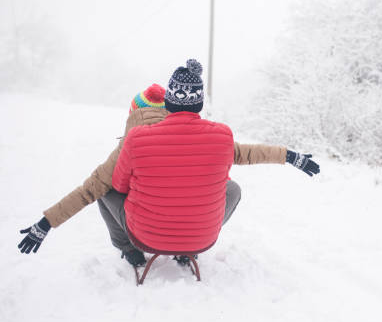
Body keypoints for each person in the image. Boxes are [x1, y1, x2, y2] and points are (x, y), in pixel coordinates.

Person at [18, 59, 320, 267]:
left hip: (144, 235)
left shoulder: (137, 139)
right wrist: (291, 156)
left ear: (170, 102)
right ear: (199, 103)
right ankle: (188, 250)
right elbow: (253, 153)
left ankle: (129, 250)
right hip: (204, 238)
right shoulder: (222, 136)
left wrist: (46, 223)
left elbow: (106, 187)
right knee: (234, 189)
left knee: (105, 189)